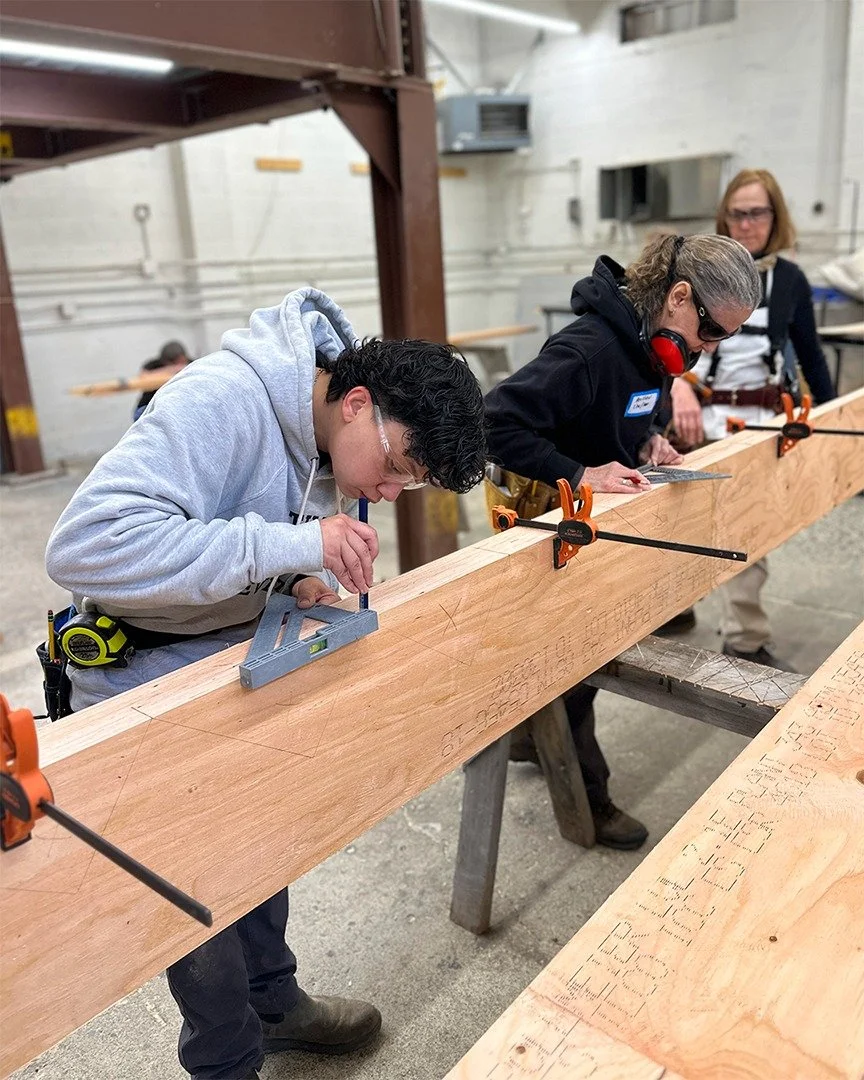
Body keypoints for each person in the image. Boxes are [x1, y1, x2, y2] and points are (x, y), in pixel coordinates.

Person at [45, 287, 487, 1080]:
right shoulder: (226, 401)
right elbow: (86, 546)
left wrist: (291, 583)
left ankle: (276, 1002)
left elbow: (247, 540)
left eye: (403, 486)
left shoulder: (331, 436)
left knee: (262, 837)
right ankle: (228, 1063)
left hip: (223, 654)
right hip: (140, 675)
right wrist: (284, 545)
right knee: (194, 902)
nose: (385, 495)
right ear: (356, 404)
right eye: (392, 471)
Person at [485, 234, 761, 850]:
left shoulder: (651, 352)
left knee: (569, 646)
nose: (709, 350)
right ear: (678, 297)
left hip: (589, 501)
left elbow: (632, 414)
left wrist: (647, 444)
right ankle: (589, 800)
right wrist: (581, 472)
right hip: (541, 505)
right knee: (578, 652)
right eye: (710, 332)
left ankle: (530, 736)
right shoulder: (591, 348)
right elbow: (493, 422)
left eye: (725, 339)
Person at [668, 170, 835, 668]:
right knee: (682, 521)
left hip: (762, 424)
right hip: (700, 414)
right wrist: (676, 385)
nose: (746, 223)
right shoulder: (694, 272)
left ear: (774, 216)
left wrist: (829, 422)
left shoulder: (789, 280)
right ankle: (675, 607)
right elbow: (653, 338)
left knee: (746, 529)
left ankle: (744, 637)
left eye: (757, 212)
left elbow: (811, 356)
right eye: (737, 213)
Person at [134, 340, 191, 420]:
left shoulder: (192, 364)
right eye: (176, 362)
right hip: (148, 406)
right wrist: (172, 370)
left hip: (180, 404)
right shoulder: (154, 365)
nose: (180, 364)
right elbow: (143, 377)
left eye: (182, 361)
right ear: (166, 361)